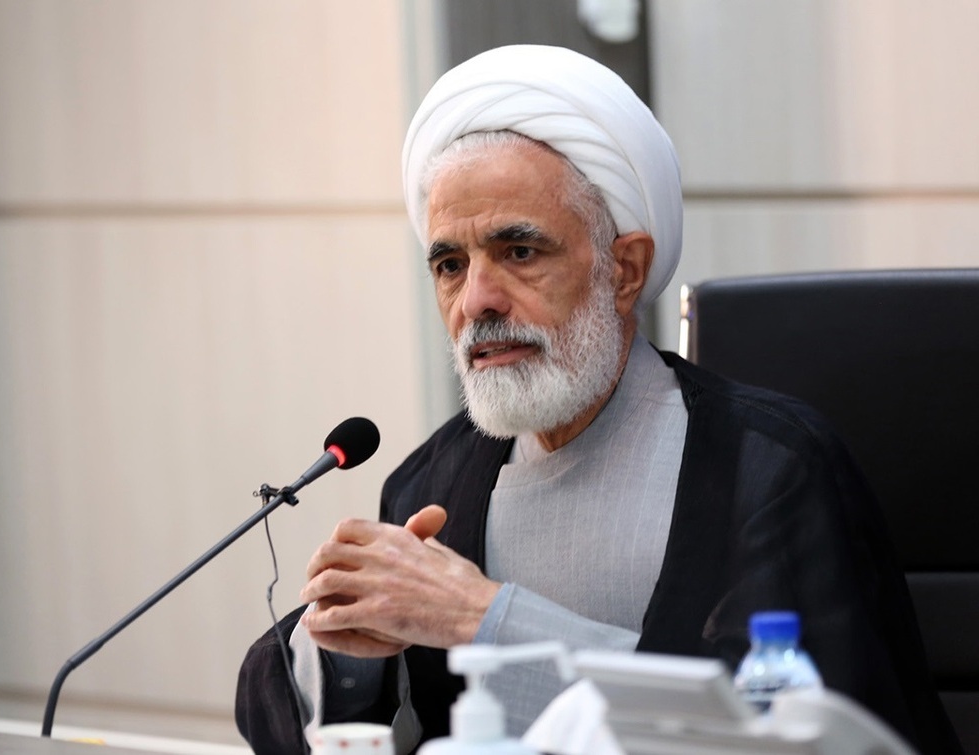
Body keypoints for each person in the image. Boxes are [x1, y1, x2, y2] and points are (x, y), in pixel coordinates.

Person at [235, 45, 960, 755]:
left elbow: (794, 733)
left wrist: (487, 619)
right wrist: (355, 651)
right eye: (450, 264)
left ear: (624, 270)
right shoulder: (429, 483)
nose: (477, 300)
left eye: (520, 252)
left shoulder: (769, 470)